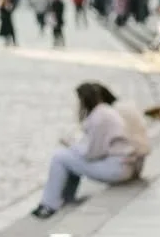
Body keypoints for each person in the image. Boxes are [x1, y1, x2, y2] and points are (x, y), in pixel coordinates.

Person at [32, 81, 148, 218]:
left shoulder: (100, 117)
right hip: (125, 165)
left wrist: (71, 145)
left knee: (60, 157)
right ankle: (66, 198)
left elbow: (92, 154)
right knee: (68, 158)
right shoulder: (106, 112)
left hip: (116, 169)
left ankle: (49, 203)